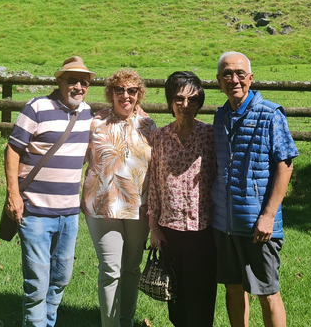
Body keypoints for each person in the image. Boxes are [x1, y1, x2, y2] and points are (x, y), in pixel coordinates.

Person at [3, 56, 95, 327]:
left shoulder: (87, 113)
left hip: (69, 213)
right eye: (72, 80)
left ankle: (48, 322)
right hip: (35, 210)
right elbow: (13, 149)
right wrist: (13, 195)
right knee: (37, 281)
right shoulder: (36, 107)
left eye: (84, 82)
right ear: (59, 81)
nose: (78, 86)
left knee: (61, 278)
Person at [212, 52, 299, 327]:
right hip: (224, 224)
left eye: (240, 73)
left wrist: (268, 216)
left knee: (267, 292)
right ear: (218, 80)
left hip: (257, 225)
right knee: (233, 288)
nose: (233, 79)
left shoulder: (270, 113)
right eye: (227, 74)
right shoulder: (220, 116)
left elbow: (285, 165)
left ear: (251, 78)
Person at [82, 69, 156, 327]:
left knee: (132, 269)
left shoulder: (149, 125)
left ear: (139, 94)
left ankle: (126, 320)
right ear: (110, 92)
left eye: (132, 90)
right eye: (119, 90)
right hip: (102, 206)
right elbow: (76, 159)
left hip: (139, 208)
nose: (125, 95)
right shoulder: (95, 123)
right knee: (110, 270)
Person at [147, 71, 217, 327]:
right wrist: (153, 227)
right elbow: (154, 184)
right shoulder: (158, 138)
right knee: (174, 294)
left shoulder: (210, 136)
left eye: (193, 100)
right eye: (179, 99)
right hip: (170, 229)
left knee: (202, 293)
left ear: (199, 103)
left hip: (204, 228)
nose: (185, 105)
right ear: (170, 101)